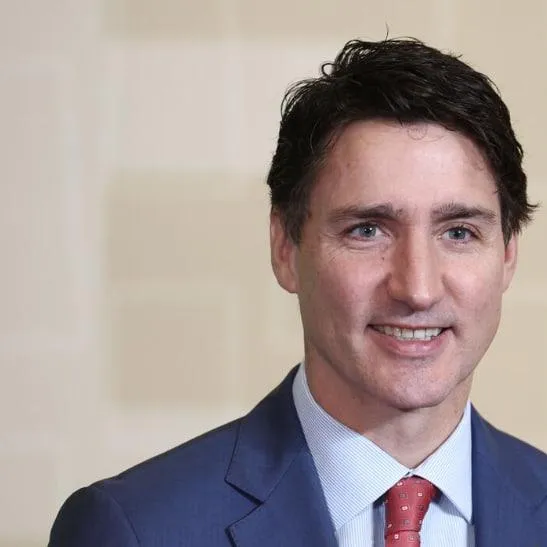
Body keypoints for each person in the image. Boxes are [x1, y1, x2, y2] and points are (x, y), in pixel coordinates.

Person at [49, 38, 547, 546]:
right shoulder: (134, 529)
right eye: (367, 230)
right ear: (285, 247)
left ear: (508, 253)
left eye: (459, 232)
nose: (417, 289)